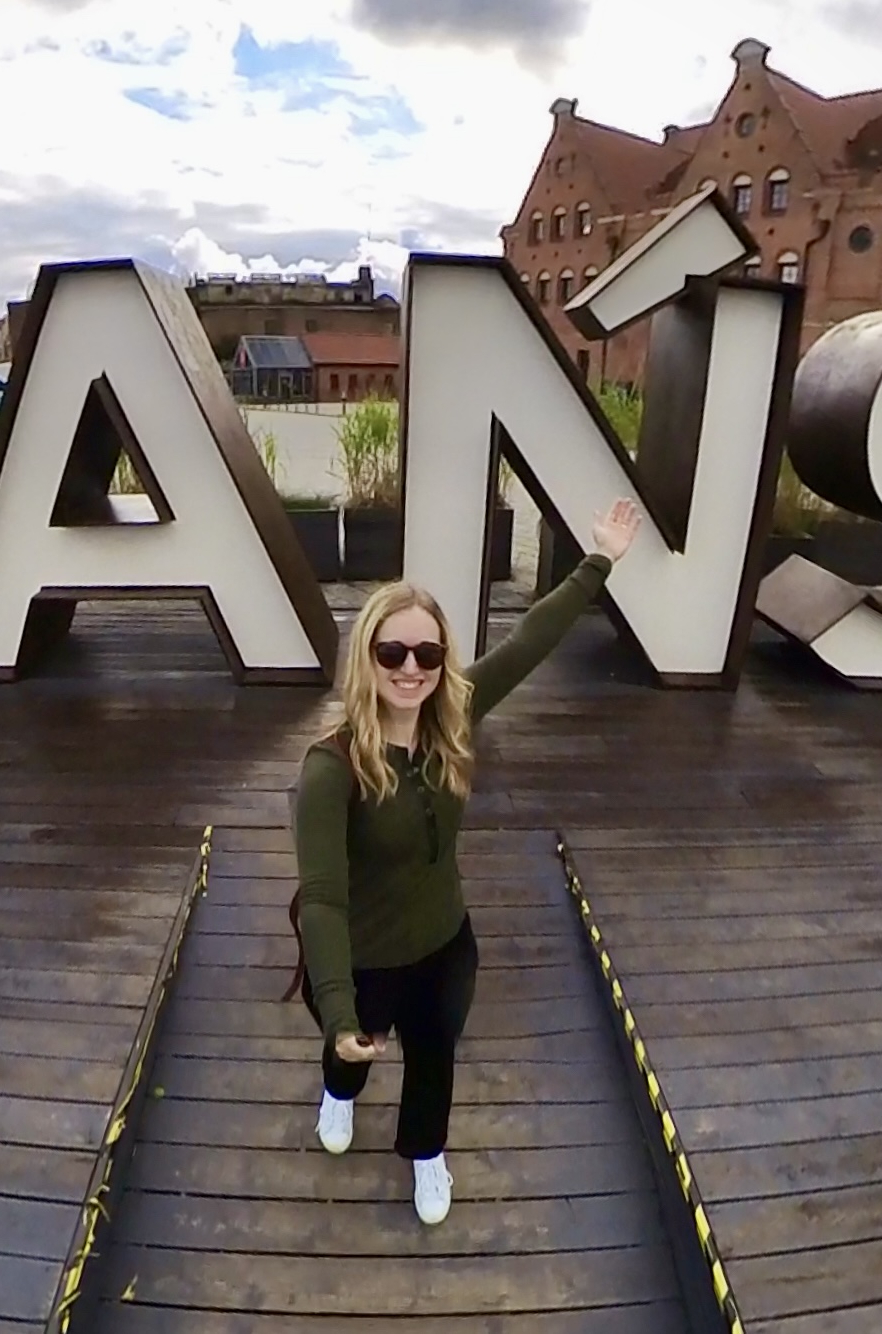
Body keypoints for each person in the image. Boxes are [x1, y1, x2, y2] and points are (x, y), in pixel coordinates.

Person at [287, 498, 643, 1224]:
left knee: (434, 1054)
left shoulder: (453, 717)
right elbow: (320, 898)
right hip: (366, 955)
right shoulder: (330, 768)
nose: (411, 669)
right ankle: (339, 1092)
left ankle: (425, 1154)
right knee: (354, 1048)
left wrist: (598, 559)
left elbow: (529, 641)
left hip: (446, 943)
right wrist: (335, 1013)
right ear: (367, 660)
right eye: (392, 653)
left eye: (428, 653)